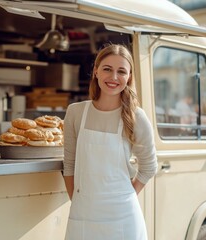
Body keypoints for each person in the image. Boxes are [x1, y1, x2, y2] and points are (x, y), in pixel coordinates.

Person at [63, 44, 158, 240]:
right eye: (107, 69)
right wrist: (79, 201)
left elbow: (149, 166)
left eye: (121, 71)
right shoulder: (75, 112)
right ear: (96, 71)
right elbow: (69, 164)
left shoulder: (136, 117)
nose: (114, 77)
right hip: (83, 216)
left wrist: (125, 196)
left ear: (129, 77)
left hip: (122, 218)